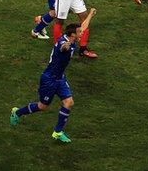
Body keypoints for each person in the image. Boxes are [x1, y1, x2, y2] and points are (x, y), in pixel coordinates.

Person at [10, 9, 96, 143]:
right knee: (42, 106)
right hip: (49, 79)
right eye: (79, 33)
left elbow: (83, 27)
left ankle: (57, 132)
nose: (82, 33)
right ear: (73, 35)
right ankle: (17, 113)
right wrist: (68, 45)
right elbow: (63, 48)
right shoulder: (63, 43)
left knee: (69, 102)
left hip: (60, 78)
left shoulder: (72, 38)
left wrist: (90, 14)